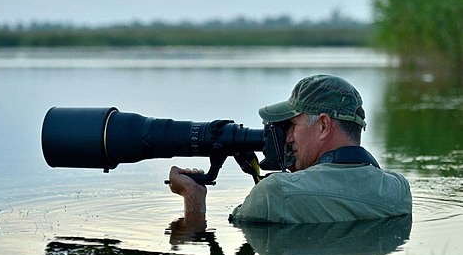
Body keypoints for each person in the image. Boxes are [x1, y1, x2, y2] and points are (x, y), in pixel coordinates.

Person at [168, 74, 412, 223]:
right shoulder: (398, 188)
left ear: (324, 126)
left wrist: (193, 198)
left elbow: (200, 235)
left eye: (291, 125)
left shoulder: (276, 193)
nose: (288, 138)